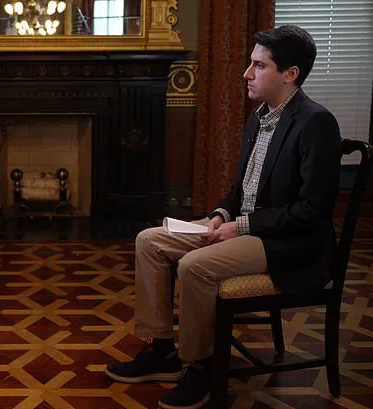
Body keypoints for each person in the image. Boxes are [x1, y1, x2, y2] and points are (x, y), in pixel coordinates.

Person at [105, 25, 342, 409]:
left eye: (258, 65)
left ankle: (201, 367)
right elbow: (241, 189)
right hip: (244, 226)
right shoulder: (258, 117)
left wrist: (240, 226)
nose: (247, 73)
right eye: (250, 63)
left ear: (290, 74)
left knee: (194, 267)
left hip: (286, 243)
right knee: (149, 240)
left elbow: (311, 211)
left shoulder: (316, 123)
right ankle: (161, 349)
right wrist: (220, 214)